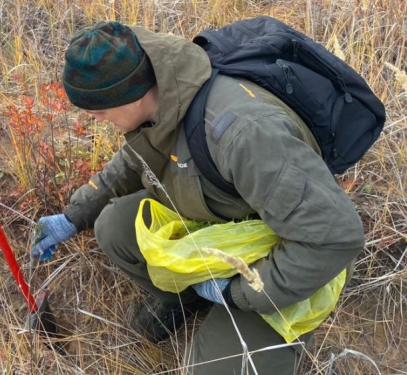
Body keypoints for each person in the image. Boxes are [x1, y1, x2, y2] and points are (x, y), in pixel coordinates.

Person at [31, 22, 365, 374]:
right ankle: (187, 299)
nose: (94, 118)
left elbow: (334, 238)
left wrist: (236, 292)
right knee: (115, 225)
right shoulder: (161, 94)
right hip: (220, 217)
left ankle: (252, 323)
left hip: (287, 251)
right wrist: (74, 215)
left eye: (99, 109)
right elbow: (134, 160)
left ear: (134, 94)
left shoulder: (244, 134)